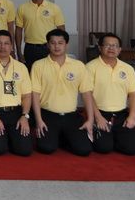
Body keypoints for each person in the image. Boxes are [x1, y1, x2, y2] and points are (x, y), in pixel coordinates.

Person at [31, 28, 93, 156]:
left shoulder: (78, 66)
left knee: (84, 150)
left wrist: (90, 120)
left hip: (71, 116)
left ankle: (63, 136)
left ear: (66, 45)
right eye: (53, 43)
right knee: (46, 148)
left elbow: (87, 94)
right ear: (48, 45)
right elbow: (35, 95)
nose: (56, 46)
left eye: (60, 43)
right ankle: (58, 136)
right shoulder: (38, 65)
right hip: (47, 115)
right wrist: (39, 120)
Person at [86, 34, 135, 155]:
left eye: (115, 46)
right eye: (107, 45)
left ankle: (114, 136)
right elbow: (88, 95)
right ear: (100, 48)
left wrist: (132, 116)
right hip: (100, 113)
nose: (111, 48)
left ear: (120, 49)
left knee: (131, 149)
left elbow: (133, 94)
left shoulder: (128, 68)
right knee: (103, 148)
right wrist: (98, 117)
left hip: (121, 115)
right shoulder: (90, 67)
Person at [16, 0, 65, 69]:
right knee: (31, 74)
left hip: (49, 47)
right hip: (30, 48)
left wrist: (61, 49)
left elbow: (61, 30)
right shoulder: (22, 8)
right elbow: (18, 30)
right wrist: (18, 51)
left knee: (49, 74)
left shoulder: (54, 8)